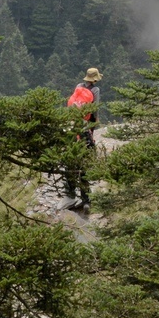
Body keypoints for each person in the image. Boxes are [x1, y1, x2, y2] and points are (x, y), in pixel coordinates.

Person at [63, 67, 101, 211]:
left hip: (72, 126)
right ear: (95, 79)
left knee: (71, 159)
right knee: (84, 163)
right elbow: (95, 109)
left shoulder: (78, 87)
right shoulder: (95, 90)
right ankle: (86, 201)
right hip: (85, 128)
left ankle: (70, 194)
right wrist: (94, 124)